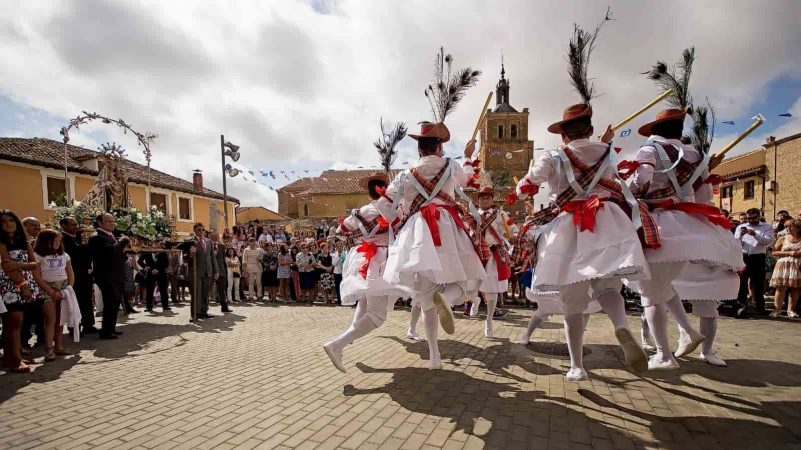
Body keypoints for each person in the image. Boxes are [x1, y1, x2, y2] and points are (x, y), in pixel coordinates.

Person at [631, 99, 744, 370]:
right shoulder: (697, 156)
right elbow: (704, 196)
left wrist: (631, 193)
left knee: (651, 293)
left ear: (655, 130)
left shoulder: (649, 149)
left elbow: (642, 180)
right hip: (690, 225)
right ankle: (688, 334)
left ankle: (664, 355)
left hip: (660, 225)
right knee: (665, 287)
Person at [377, 121, 486, 370]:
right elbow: (470, 180)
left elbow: (383, 204)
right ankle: (446, 298)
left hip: (417, 232)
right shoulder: (451, 165)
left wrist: (402, 219)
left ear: (419, 149)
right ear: (439, 147)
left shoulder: (405, 174)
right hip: (447, 227)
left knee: (426, 297)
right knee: (463, 280)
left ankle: (435, 357)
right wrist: (468, 156)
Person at [323, 174, 410, 372]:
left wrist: (361, 235)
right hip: (384, 261)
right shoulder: (393, 209)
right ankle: (338, 344)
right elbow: (402, 228)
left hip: (363, 259)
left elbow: (340, 230)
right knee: (378, 315)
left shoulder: (360, 212)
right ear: (386, 190)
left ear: (369, 193)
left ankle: (347, 338)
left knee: (365, 299)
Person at [464, 187, 512, 337]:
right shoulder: (472, 215)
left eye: (488, 197)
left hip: (493, 254)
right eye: (482, 198)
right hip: (476, 254)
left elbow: (512, 229)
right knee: (468, 287)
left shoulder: (501, 215)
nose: (485, 200)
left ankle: (489, 320)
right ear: (478, 201)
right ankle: (475, 300)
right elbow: (465, 232)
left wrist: (516, 234)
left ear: (492, 200)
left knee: (492, 290)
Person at [0, 210, 43, 372]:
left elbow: (34, 264)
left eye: (11, 220)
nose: (8, 224)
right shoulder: (1, 243)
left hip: (24, 284)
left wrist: (18, 264)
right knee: (14, 321)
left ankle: (10, 356)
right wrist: (23, 285)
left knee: (13, 323)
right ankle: (15, 360)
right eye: (3, 222)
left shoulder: (23, 242)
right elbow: (7, 268)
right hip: (9, 286)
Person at [33, 229, 76, 360]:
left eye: (59, 241)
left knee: (60, 319)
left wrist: (69, 288)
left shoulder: (65, 255)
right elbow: (37, 276)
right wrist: (50, 291)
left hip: (63, 288)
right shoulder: (38, 256)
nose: (57, 243)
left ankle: (59, 346)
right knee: (50, 319)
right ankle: (49, 349)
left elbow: (70, 273)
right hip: (46, 289)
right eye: (54, 241)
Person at [88, 213, 130, 339]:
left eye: (113, 221)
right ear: (99, 223)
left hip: (117, 275)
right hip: (106, 276)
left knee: (115, 302)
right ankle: (106, 331)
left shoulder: (111, 235)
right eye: (108, 221)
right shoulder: (96, 237)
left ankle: (111, 328)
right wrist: (122, 241)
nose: (112, 224)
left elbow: (119, 254)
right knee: (110, 302)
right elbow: (111, 252)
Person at [60, 217, 97, 334]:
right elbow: (73, 252)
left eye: (76, 224)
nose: (76, 227)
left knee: (86, 299)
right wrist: (85, 246)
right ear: (63, 225)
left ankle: (88, 324)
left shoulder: (78, 236)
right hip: (73, 273)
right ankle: (74, 326)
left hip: (85, 273)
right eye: (72, 225)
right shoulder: (62, 238)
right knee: (75, 300)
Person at [735, 208, 774, 315]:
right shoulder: (741, 227)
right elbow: (735, 242)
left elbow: (768, 241)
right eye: (749, 218)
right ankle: (741, 304)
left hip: (758, 256)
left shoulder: (767, 227)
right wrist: (741, 235)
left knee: (758, 282)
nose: (751, 220)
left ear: (759, 216)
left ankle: (759, 306)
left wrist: (755, 235)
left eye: (754, 218)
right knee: (742, 281)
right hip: (744, 256)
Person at [182, 222, 218, 321]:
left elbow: (212, 257)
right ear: (194, 230)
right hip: (195, 272)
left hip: (208, 271)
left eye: (203, 230)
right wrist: (190, 253)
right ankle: (194, 314)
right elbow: (185, 258)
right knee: (196, 293)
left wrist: (216, 271)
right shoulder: (189, 241)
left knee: (205, 293)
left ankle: (203, 312)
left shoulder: (208, 241)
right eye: (199, 230)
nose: (201, 231)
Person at [770, 218, 801, 318]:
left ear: (798, 228)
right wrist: (789, 252)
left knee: (795, 288)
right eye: (786, 227)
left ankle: (791, 310)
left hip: (797, 266)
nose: (787, 229)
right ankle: (776, 310)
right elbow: (774, 252)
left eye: (790, 226)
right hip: (784, 265)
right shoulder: (783, 238)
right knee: (781, 288)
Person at [210, 232, 232, 313]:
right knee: (206, 290)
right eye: (213, 235)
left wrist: (225, 271)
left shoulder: (222, 246)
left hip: (221, 271)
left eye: (216, 235)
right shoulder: (207, 245)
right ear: (210, 237)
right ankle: (203, 309)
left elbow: (223, 260)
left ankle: (224, 307)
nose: (215, 237)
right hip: (210, 271)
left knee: (222, 291)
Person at [242, 237, 263, 302]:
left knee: (258, 282)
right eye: (250, 241)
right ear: (248, 242)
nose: (252, 243)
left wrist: (260, 259)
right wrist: (244, 270)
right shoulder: (246, 250)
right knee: (251, 282)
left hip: (258, 267)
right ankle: (251, 296)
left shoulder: (259, 250)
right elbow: (244, 260)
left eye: (253, 241)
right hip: (249, 267)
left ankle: (259, 296)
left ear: (255, 242)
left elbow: (261, 259)